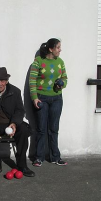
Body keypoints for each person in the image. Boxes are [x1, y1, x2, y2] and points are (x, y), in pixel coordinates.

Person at [29, 38, 68, 167]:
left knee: (54, 129)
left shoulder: (60, 62)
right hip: (42, 98)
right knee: (41, 129)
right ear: (51, 49)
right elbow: (32, 80)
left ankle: (55, 157)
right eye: (58, 47)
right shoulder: (38, 62)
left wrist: (61, 85)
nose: (60, 50)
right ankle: (38, 157)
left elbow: (65, 78)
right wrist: (34, 97)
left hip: (57, 99)